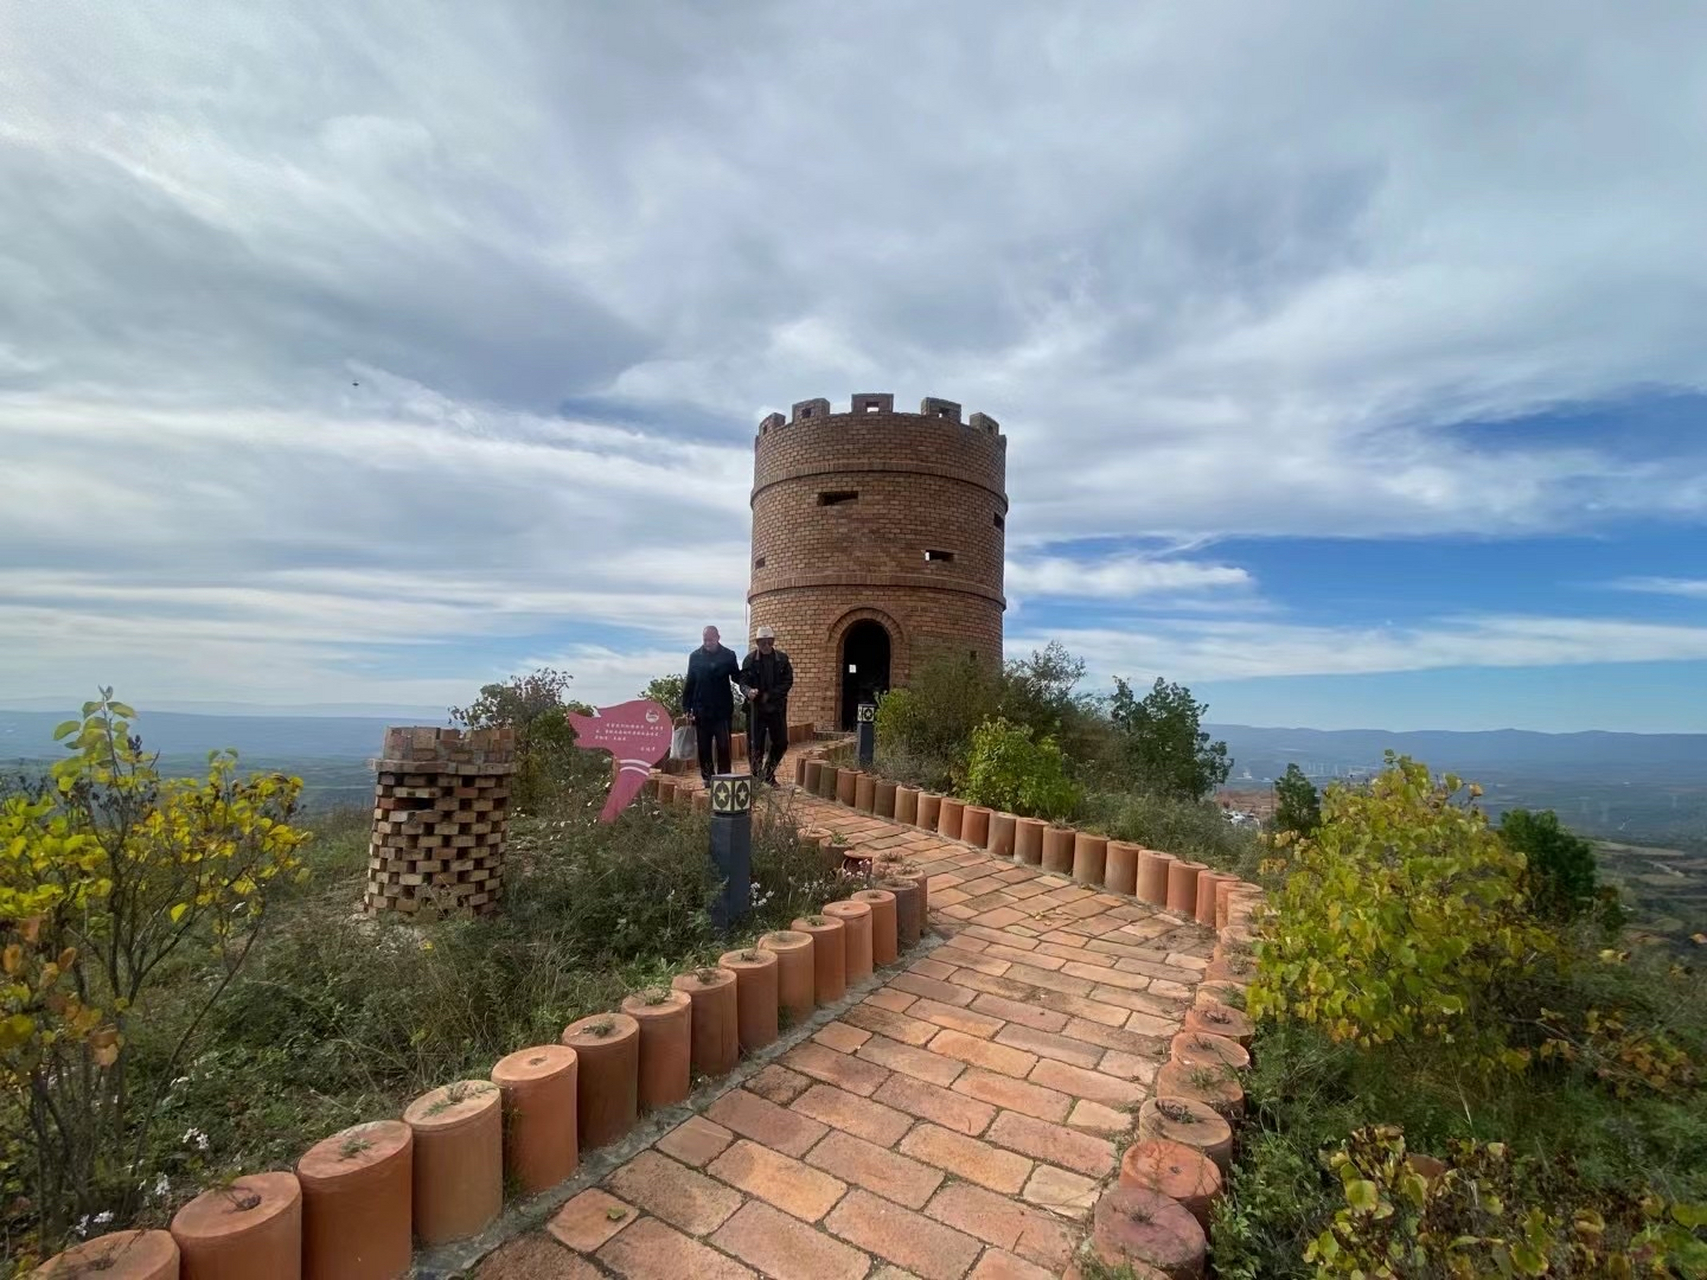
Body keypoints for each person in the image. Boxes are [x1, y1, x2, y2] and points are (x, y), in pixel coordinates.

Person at [683, 624, 740, 784]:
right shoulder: (695, 656)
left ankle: (724, 778)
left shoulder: (729, 655)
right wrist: (687, 707)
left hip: (722, 711)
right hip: (701, 710)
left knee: (724, 746)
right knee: (704, 747)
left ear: (718, 638)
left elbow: (737, 676)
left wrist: (749, 682)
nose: (707, 643)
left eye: (710, 639)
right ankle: (707, 778)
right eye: (705, 640)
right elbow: (690, 682)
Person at [740, 626, 794, 785]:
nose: (766, 644)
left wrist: (770, 695)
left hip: (775, 708)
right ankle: (756, 778)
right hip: (755, 709)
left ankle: (768, 773)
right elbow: (743, 682)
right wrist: (748, 691)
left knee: (781, 743)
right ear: (757, 642)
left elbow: (788, 682)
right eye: (762, 641)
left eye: (768, 641)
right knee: (755, 745)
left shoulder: (782, 659)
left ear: (773, 641)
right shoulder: (749, 660)